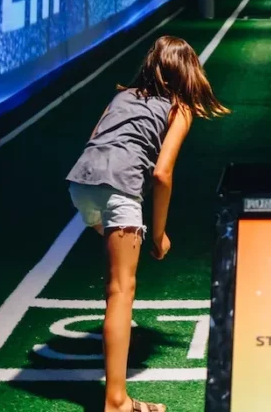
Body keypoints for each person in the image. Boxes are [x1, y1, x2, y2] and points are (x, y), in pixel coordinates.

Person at [67, 36, 228, 412]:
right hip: (120, 189)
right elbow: (162, 174)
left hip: (80, 184)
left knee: (117, 277)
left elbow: (95, 140)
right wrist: (157, 234)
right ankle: (117, 402)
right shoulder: (180, 108)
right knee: (121, 291)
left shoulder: (122, 96)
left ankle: (117, 390)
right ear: (188, 72)